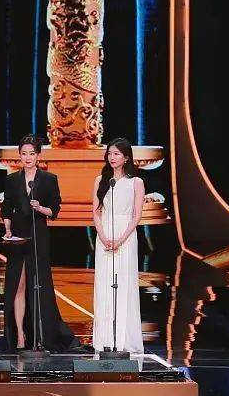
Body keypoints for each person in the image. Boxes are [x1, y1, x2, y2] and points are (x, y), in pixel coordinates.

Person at [2, 134, 76, 353]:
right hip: (18, 236)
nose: (27, 158)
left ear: (38, 155)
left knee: (39, 285)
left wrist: (41, 208)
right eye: (24, 153)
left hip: (38, 235)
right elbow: (7, 208)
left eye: (31, 153)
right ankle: (20, 334)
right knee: (18, 285)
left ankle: (41, 334)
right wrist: (7, 230)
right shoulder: (12, 180)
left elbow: (55, 209)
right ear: (19, 155)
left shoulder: (49, 179)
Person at [91, 137, 144, 354]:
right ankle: (103, 339)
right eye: (110, 153)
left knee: (124, 284)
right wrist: (103, 236)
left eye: (116, 154)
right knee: (104, 286)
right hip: (104, 235)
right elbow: (96, 212)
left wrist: (120, 240)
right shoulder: (101, 180)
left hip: (126, 237)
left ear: (126, 158)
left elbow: (136, 216)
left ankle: (123, 340)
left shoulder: (136, 182)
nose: (112, 157)